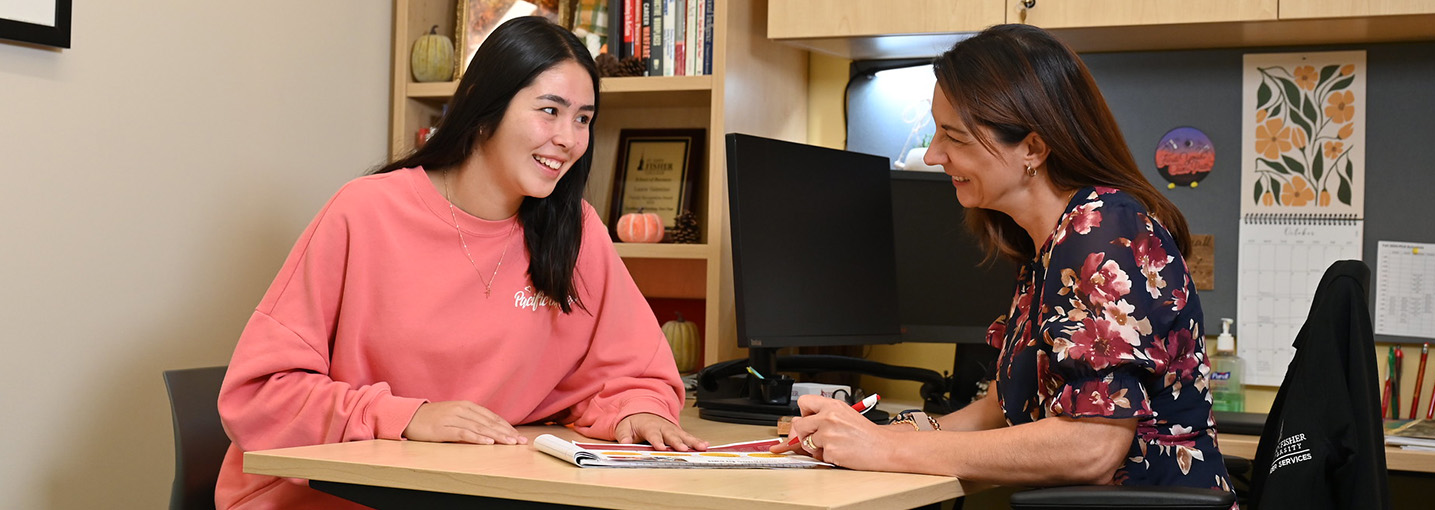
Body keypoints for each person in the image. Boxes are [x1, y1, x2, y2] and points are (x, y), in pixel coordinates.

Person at [215, 16, 707, 509]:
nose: (568, 138)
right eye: (550, 110)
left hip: (473, 491)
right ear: (484, 105)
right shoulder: (364, 212)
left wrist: (638, 413)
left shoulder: (574, 231)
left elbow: (633, 371)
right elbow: (261, 394)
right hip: (327, 494)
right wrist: (407, 416)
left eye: (582, 118)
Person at [773, 23, 1235, 497]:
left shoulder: (1103, 233)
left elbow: (1091, 446)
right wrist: (882, 435)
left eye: (954, 137)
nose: (933, 155)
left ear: (1032, 147)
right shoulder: (1053, 242)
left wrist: (886, 450)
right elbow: (1003, 404)